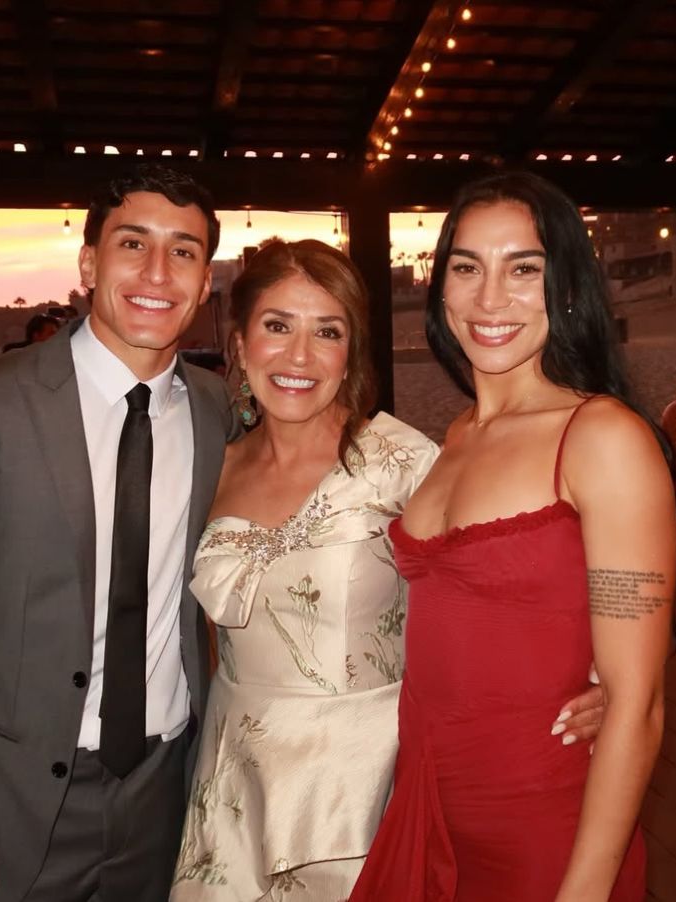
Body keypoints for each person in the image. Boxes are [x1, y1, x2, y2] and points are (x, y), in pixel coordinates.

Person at [170, 239, 607, 900]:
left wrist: (599, 677)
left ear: (351, 353)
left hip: (362, 780)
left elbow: (521, 578)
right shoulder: (211, 465)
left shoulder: (402, 462)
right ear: (239, 343)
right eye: (277, 326)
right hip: (235, 770)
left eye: (328, 332)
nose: (299, 356)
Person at [0, 165, 237, 902]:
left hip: (167, 789)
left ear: (204, 285)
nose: (156, 272)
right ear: (88, 264)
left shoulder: (214, 408)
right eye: (132, 243)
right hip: (10, 801)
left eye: (183, 252)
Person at [351, 172, 675, 901]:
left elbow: (639, 703)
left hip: (541, 827)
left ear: (566, 287)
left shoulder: (600, 437)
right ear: (440, 288)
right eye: (467, 268)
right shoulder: (458, 435)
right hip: (429, 808)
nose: (489, 298)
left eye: (523, 269)